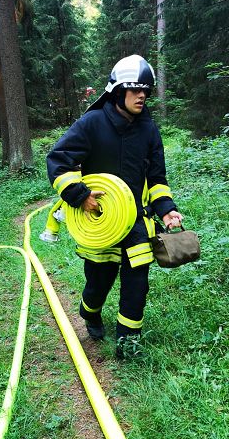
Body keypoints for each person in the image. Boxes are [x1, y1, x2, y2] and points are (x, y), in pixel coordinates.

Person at [46, 54, 183, 358]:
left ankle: (128, 342)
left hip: (136, 222)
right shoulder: (92, 123)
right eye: (135, 89)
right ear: (118, 91)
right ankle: (89, 312)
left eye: (145, 90)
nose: (142, 95)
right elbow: (58, 160)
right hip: (99, 220)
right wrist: (79, 195)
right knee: (99, 281)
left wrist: (166, 208)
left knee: (137, 283)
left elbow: (157, 178)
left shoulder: (149, 130)